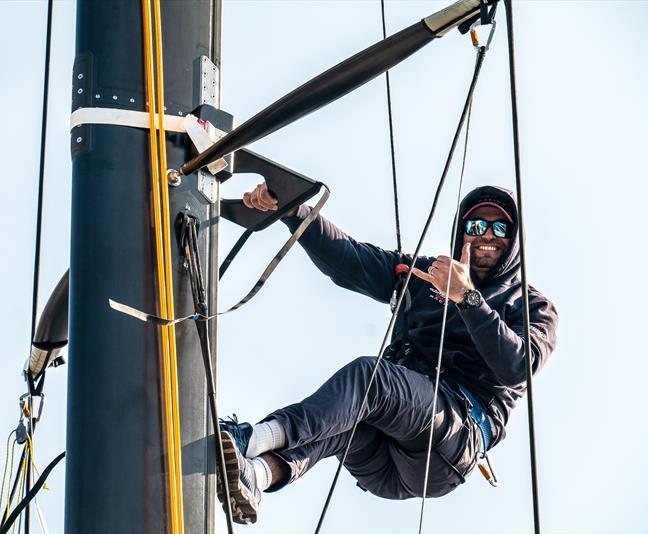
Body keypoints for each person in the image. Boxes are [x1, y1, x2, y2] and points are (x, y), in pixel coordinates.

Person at [217, 183, 558, 525]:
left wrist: (467, 298)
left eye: (500, 227)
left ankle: (250, 439)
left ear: (514, 240)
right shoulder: (425, 275)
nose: (487, 235)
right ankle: (257, 475)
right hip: (381, 459)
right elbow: (351, 260)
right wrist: (294, 212)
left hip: (449, 441)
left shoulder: (532, 306)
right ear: (462, 234)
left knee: (371, 378)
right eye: (476, 226)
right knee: (339, 418)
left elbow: (517, 366)